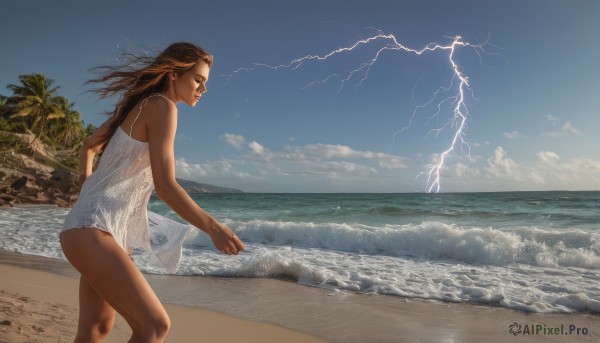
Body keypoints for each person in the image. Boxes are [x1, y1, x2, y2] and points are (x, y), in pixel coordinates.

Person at [60, 42, 245, 342]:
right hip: (93, 229)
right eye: (198, 79)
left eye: (205, 82)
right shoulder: (162, 107)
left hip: (94, 228)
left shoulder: (136, 106)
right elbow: (166, 186)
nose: (203, 89)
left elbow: (89, 147)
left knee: (96, 329)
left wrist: (88, 188)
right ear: (173, 74)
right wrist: (214, 228)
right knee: (155, 326)